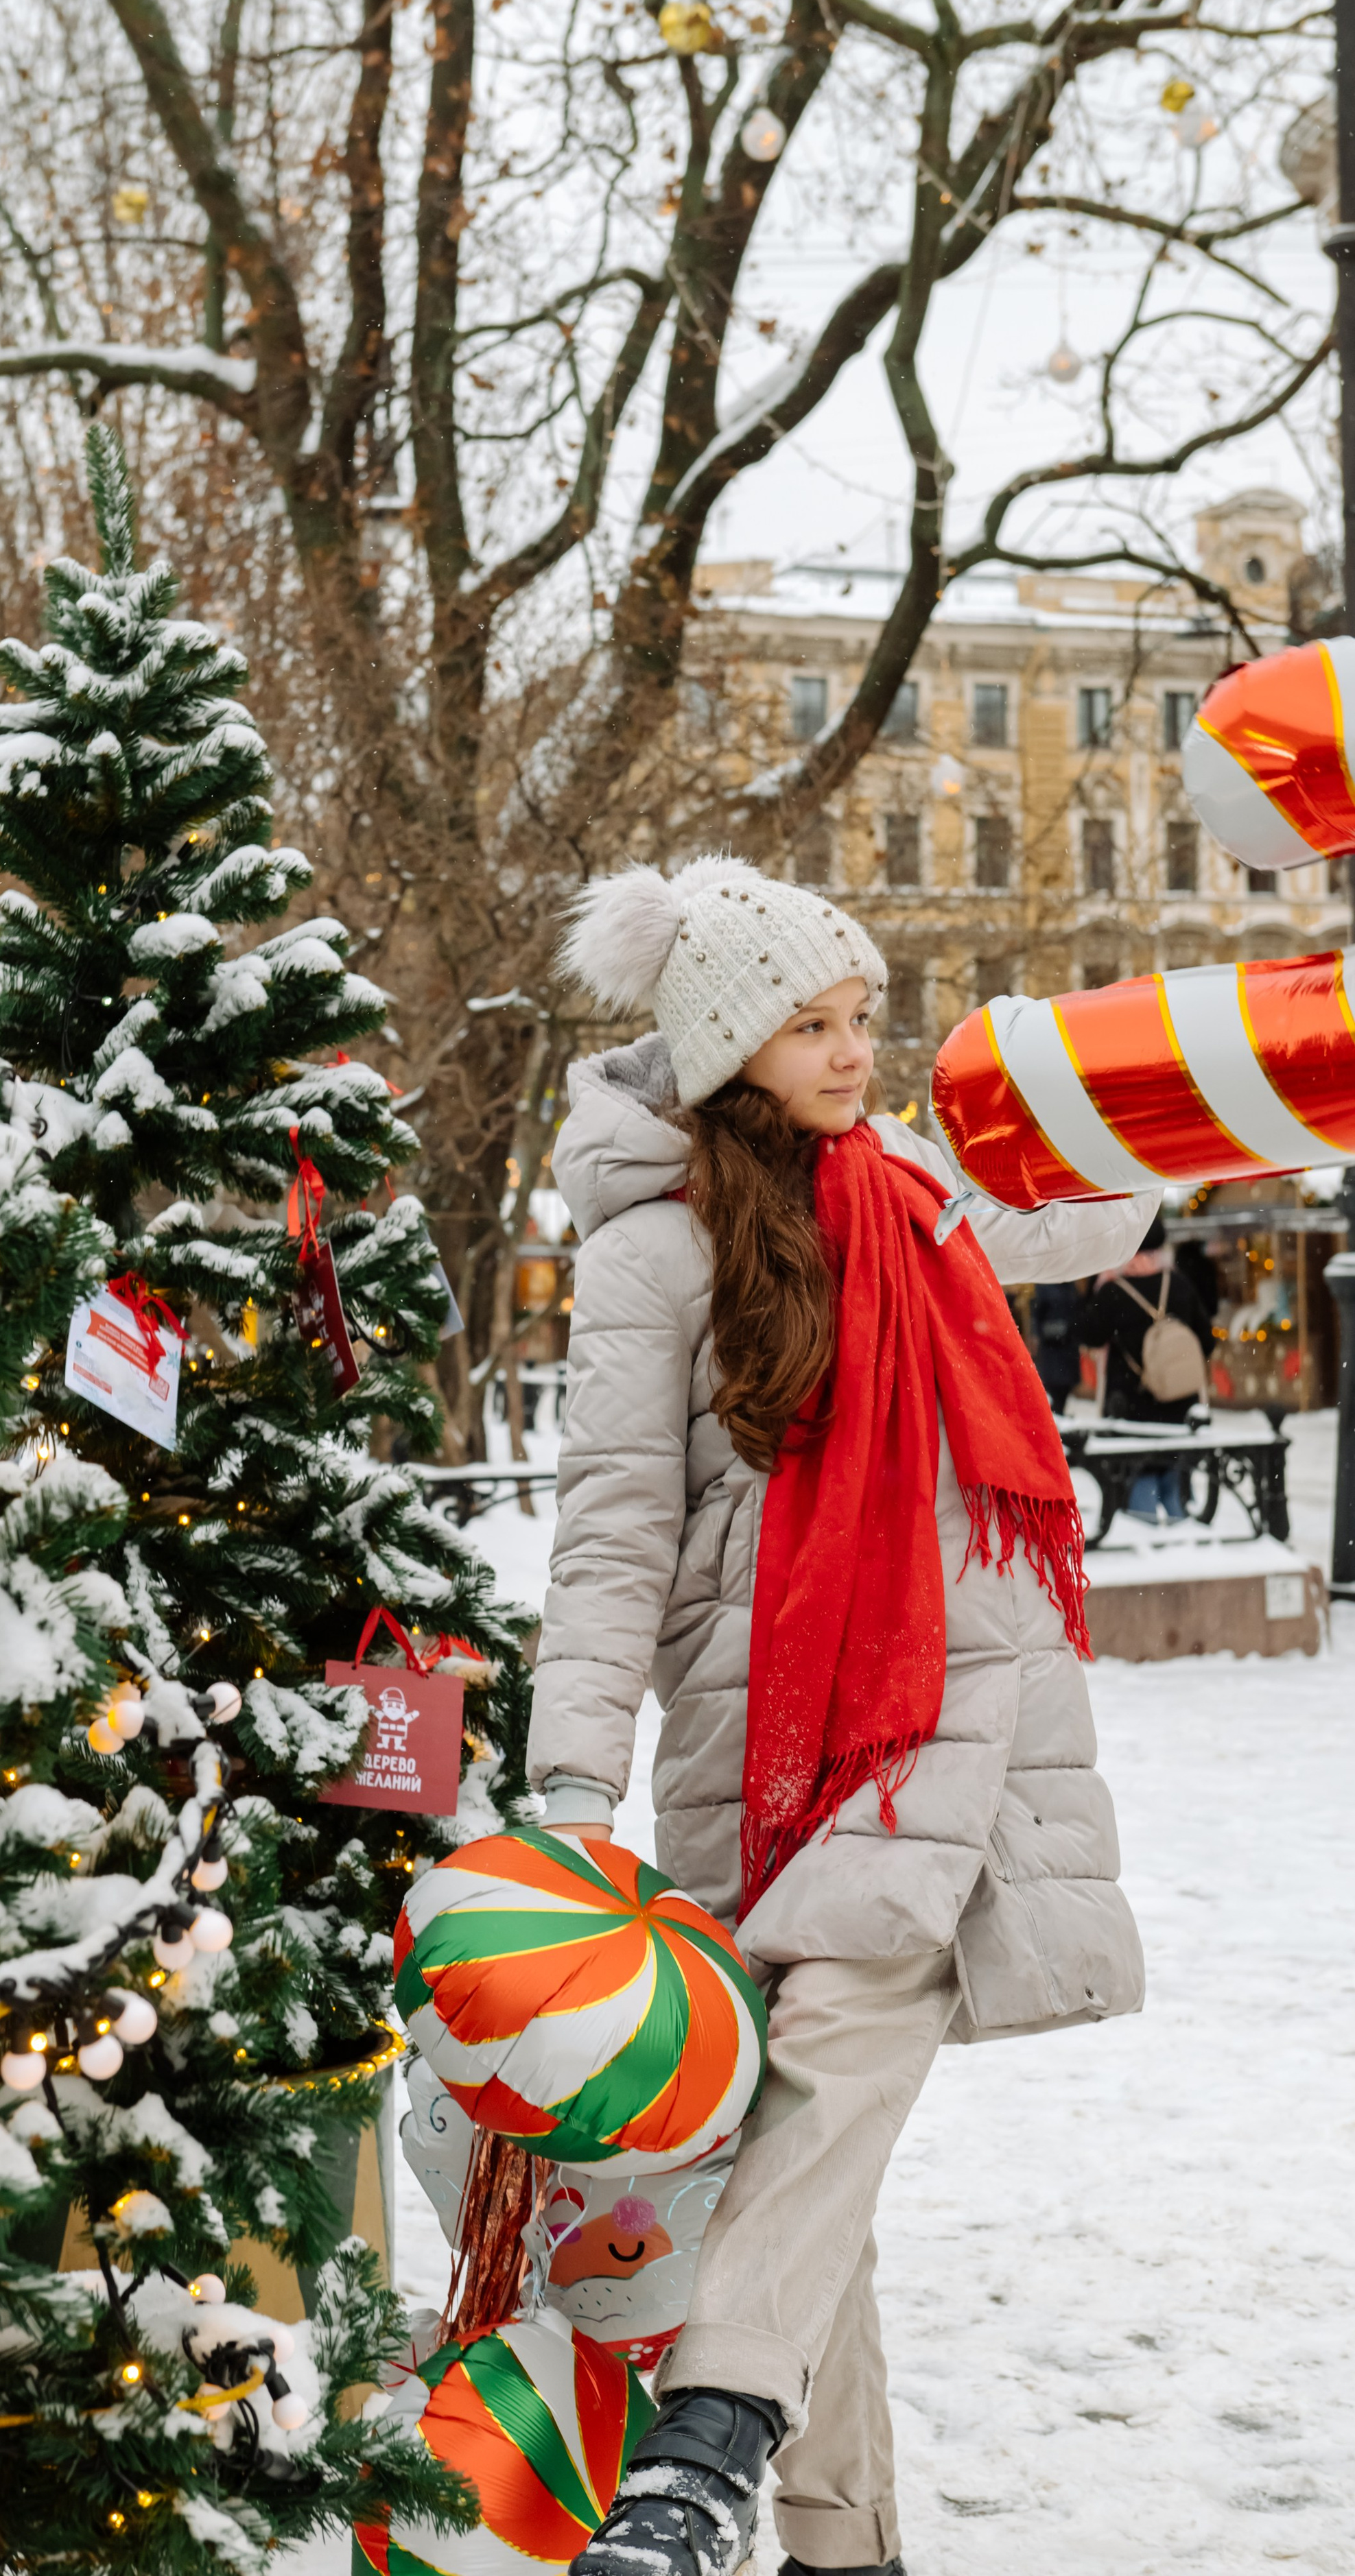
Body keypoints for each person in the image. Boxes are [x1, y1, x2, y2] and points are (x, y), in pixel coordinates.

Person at [530, 857, 1160, 2576]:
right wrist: (569, 1777)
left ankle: (707, 2433)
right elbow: (608, 1531)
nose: (846, 1048)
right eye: (807, 1022)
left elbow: (1101, 1203)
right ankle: (840, 2540)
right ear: (729, 1044)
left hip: (931, 1701)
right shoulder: (650, 1257)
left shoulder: (925, 1190)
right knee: (790, 2134)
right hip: (747, 1740)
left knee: (842, 2029)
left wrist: (1193, 1085)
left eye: (855, 1014)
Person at [1074, 1213, 1214, 1521]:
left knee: (1140, 1499)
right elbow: (1206, 1340)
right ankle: (1186, 1555)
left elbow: (1087, 1333)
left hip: (1132, 1413)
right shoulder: (1178, 1284)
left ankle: (1149, 1548)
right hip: (1181, 1410)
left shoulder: (1113, 1291)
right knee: (1178, 1496)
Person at [1030, 1278, 1084, 1415]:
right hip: (1052, 1347)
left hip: (1068, 1346)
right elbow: (1037, 1315)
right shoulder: (1044, 1285)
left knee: (1064, 1389)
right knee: (1053, 1390)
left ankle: (1058, 1417)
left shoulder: (1071, 1284)